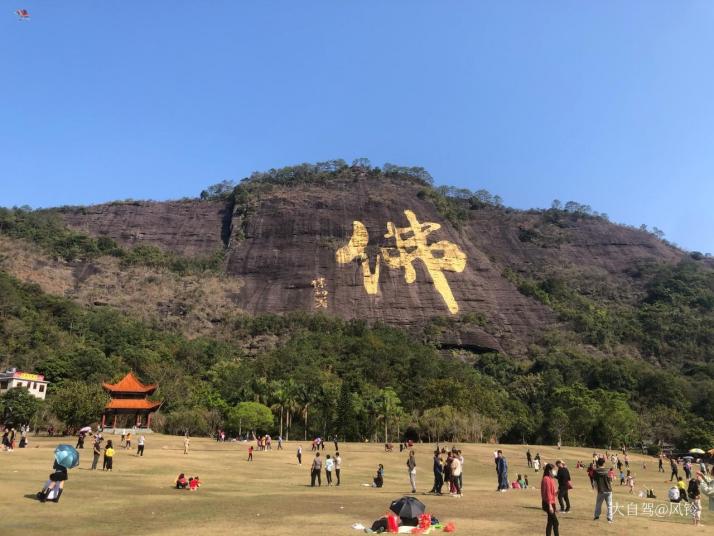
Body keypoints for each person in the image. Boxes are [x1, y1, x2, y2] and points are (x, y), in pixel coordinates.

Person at [541, 463, 559, 536]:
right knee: (556, 523)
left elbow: (552, 493)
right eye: (553, 469)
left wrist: (557, 492)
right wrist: (550, 505)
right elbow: (547, 493)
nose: (554, 471)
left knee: (550, 522)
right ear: (549, 471)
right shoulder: (546, 479)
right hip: (548, 503)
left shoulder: (551, 479)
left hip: (551, 503)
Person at [593, 458, 613, 523]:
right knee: (609, 505)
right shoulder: (608, 470)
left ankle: (596, 516)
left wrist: (597, 489)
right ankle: (610, 519)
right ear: (604, 463)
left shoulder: (596, 471)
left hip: (601, 490)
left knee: (598, 504)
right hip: (609, 490)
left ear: (598, 463)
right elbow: (610, 480)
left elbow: (594, 482)